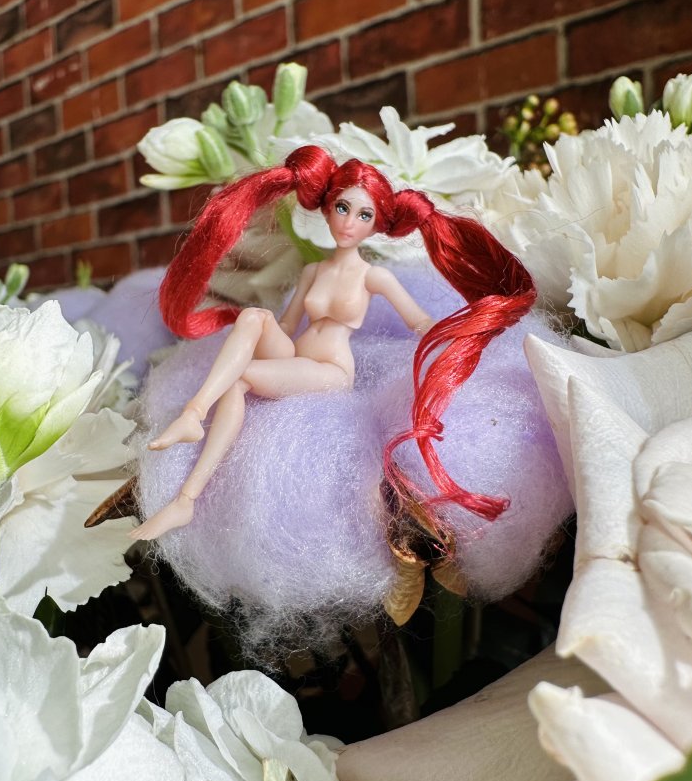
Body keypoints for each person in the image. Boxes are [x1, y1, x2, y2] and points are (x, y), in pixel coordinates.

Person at [131, 145, 535, 541]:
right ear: (326, 210)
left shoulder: (373, 277)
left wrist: (464, 335)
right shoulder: (313, 270)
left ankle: (186, 499)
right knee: (253, 316)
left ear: (376, 225)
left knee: (242, 380)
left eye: (364, 214)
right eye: (342, 208)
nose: (349, 222)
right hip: (297, 354)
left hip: (330, 370)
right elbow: (287, 325)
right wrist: (251, 336)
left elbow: (420, 322)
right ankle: (194, 413)